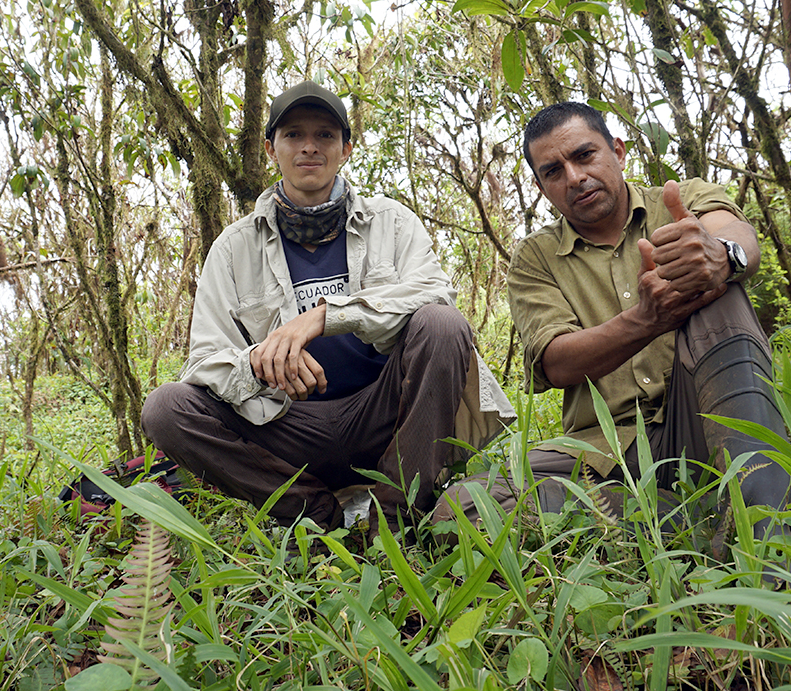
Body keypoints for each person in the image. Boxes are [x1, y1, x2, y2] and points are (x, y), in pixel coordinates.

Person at [143, 81, 514, 533]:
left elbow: (436, 294)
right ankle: (312, 513)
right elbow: (203, 362)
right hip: (286, 425)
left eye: (325, 135)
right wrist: (262, 363)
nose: (309, 148)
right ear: (270, 149)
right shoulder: (233, 249)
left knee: (442, 323)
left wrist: (324, 317)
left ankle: (394, 518)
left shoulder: (391, 223)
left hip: (384, 414)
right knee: (165, 407)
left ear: (346, 149)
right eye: (294, 135)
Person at [435, 101, 791, 558]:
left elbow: (735, 233)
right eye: (553, 171)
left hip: (705, 426)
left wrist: (723, 255)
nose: (574, 178)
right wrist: (646, 320)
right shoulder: (535, 258)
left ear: (618, 151)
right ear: (542, 186)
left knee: (712, 283)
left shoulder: (682, 201)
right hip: (603, 454)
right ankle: (700, 524)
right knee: (463, 506)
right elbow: (555, 360)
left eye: (585, 156)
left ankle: (764, 534)